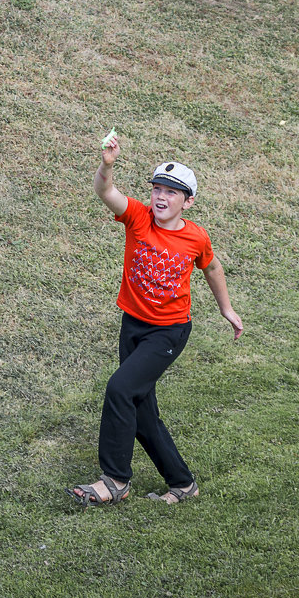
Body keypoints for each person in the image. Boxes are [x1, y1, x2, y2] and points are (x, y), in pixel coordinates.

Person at [69, 134, 243, 508]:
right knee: (140, 406)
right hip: (133, 326)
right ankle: (182, 483)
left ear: (188, 201)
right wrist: (108, 165)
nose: (161, 198)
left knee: (119, 390)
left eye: (172, 192)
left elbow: (212, 267)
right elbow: (105, 191)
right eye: (157, 190)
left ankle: (115, 480)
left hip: (168, 332)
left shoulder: (196, 238)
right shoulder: (137, 217)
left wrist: (225, 308)